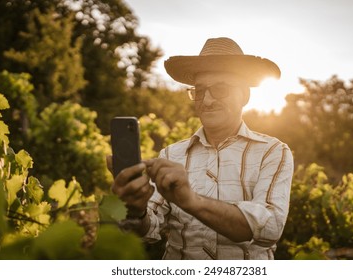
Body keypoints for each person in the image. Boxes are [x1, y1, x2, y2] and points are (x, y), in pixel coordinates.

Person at [111, 37, 294, 260]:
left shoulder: (272, 152)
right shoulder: (170, 155)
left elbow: (269, 227)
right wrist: (136, 209)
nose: (206, 100)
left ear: (244, 95)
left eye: (220, 89)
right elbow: (149, 229)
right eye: (199, 90)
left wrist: (191, 201)